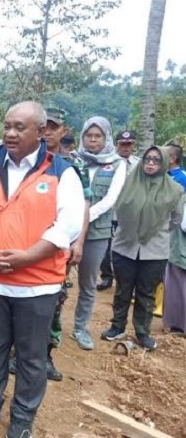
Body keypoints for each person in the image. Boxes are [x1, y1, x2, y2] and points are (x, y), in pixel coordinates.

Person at [0, 102, 84, 438]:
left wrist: (25, 258)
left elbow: (67, 225)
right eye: (7, 126)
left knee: (30, 355)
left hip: (36, 286)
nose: (10, 133)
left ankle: (23, 416)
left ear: (41, 132)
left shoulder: (62, 172)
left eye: (20, 127)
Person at [7, 107, 87, 382]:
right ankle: (17, 352)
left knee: (53, 301)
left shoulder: (71, 165)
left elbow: (82, 207)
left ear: (62, 131)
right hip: (23, 245)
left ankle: (46, 355)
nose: (49, 132)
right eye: (46, 126)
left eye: (55, 127)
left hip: (56, 248)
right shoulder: (21, 161)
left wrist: (79, 241)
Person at [100, 146, 183, 351]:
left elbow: (176, 220)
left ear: (164, 163)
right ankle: (117, 326)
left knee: (146, 293)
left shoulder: (175, 190)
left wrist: (152, 230)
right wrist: (131, 230)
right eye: (147, 159)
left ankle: (142, 332)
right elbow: (118, 210)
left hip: (154, 250)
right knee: (123, 290)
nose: (151, 163)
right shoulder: (129, 183)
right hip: (124, 246)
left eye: (156, 160)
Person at [70, 116, 127, 351]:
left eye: (98, 136)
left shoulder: (116, 164)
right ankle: (50, 327)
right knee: (55, 279)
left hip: (96, 234)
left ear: (106, 138)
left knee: (87, 283)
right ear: (82, 137)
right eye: (89, 136)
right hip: (67, 230)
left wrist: (84, 217)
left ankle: (80, 328)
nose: (93, 140)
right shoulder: (73, 159)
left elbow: (111, 200)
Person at [97, 130, 141, 291]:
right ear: (117, 144)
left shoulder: (139, 164)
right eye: (123, 144)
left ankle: (125, 280)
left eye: (129, 144)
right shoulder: (107, 162)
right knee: (105, 246)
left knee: (127, 246)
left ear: (133, 145)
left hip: (130, 213)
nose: (126, 147)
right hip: (109, 210)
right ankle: (107, 277)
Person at [163, 198, 186, 336]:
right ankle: (177, 326)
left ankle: (178, 325)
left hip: (180, 253)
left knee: (178, 289)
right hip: (180, 252)